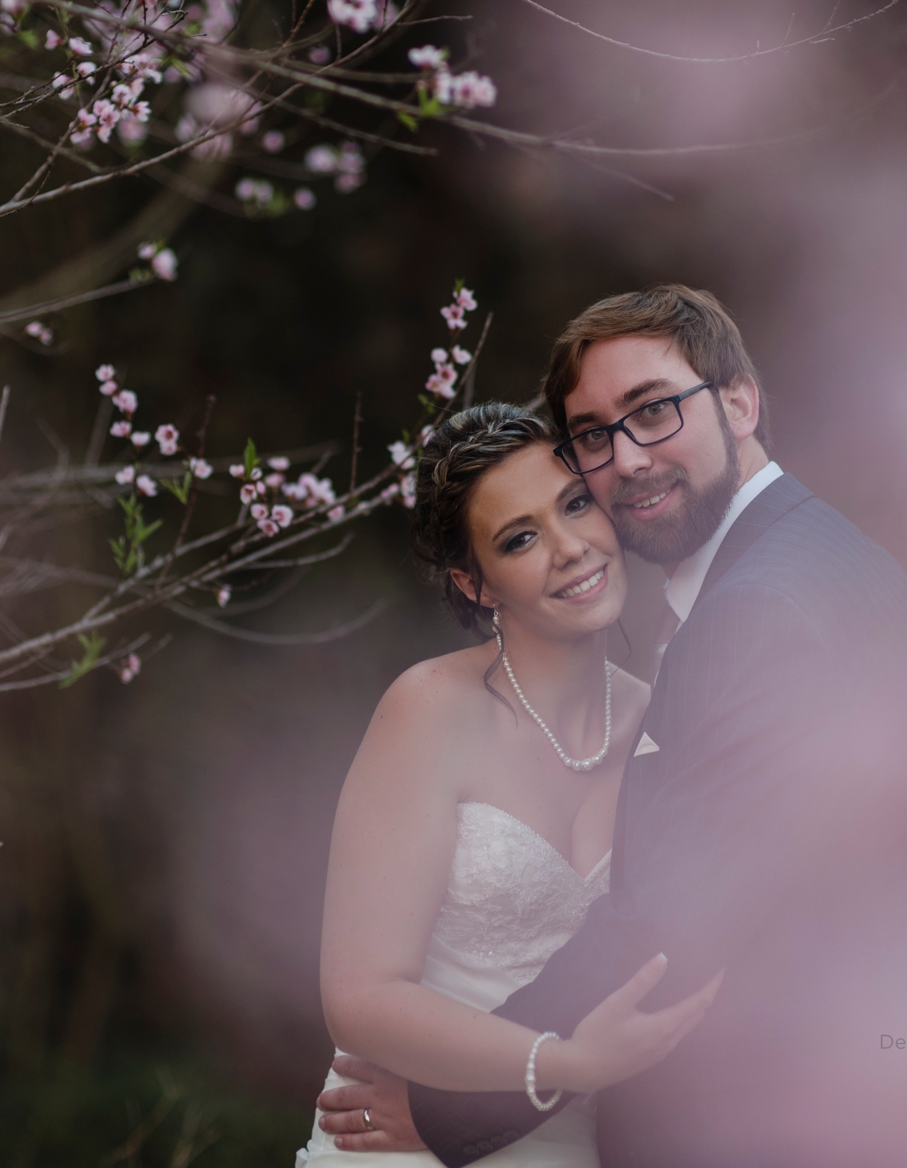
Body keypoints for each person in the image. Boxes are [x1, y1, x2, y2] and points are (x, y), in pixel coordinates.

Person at [321, 286, 907, 1167]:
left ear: (739, 401)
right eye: (594, 436)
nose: (625, 460)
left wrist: (445, 1106)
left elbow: (670, 923)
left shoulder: (758, 608)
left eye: (654, 412)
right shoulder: (808, 560)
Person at [296, 402, 723, 1167]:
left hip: (576, 1145)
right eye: (520, 538)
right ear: (477, 583)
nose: (569, 549)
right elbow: (360, 998)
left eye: (576, 505)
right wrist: (560, 1065)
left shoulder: (665, 724)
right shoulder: (430, 711)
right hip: (400, 1140)